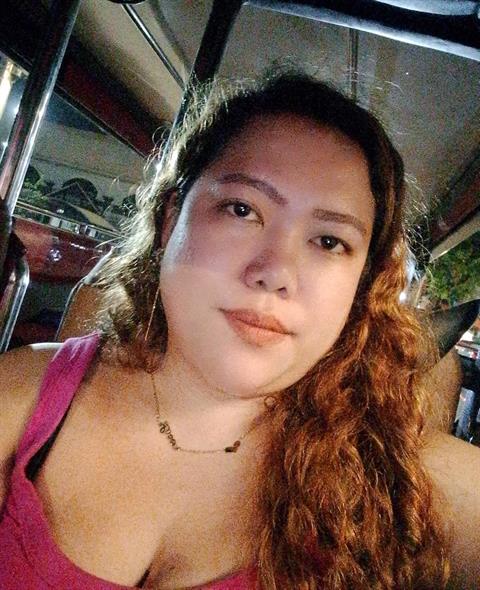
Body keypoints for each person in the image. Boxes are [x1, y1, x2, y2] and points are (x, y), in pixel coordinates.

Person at [0, 69, 479, 590]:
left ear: (361, 286)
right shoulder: (24, 395)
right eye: (242, 209)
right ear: (170, 220)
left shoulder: (389, 474)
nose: (275, 272)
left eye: (328, 241)